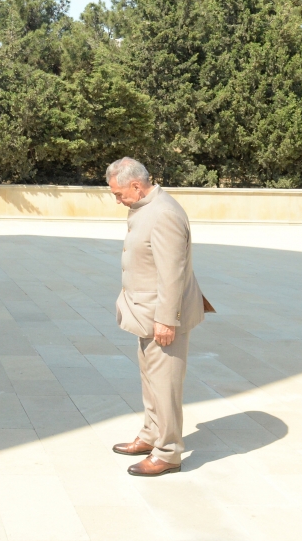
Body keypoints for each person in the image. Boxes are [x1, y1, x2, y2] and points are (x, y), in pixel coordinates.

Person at [107, 157, 213, 477]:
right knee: (152, 379)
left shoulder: (163, 213)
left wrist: (167, 319)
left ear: (137, 186)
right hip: (145, 312)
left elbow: (172, 274)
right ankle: (152, 434)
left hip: (162, 315)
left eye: (119, 193)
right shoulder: (146, 207)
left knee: (165, 383)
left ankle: (168, 453)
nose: (117, 199)